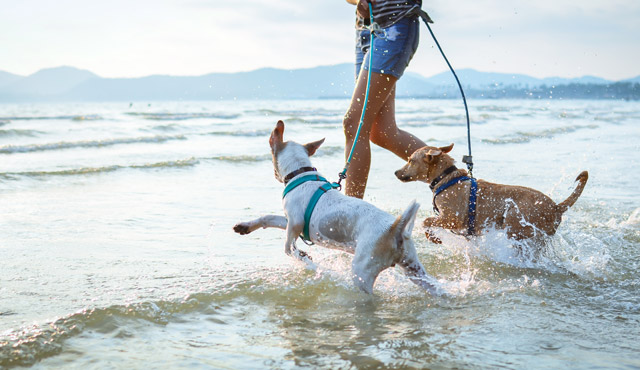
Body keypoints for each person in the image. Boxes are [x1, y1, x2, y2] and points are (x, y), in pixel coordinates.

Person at [343, 0, 426, 199]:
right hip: (365, 32)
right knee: (382, 132)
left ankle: (350, 213)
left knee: (353, 123)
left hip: (395, 26)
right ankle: (458, 183)